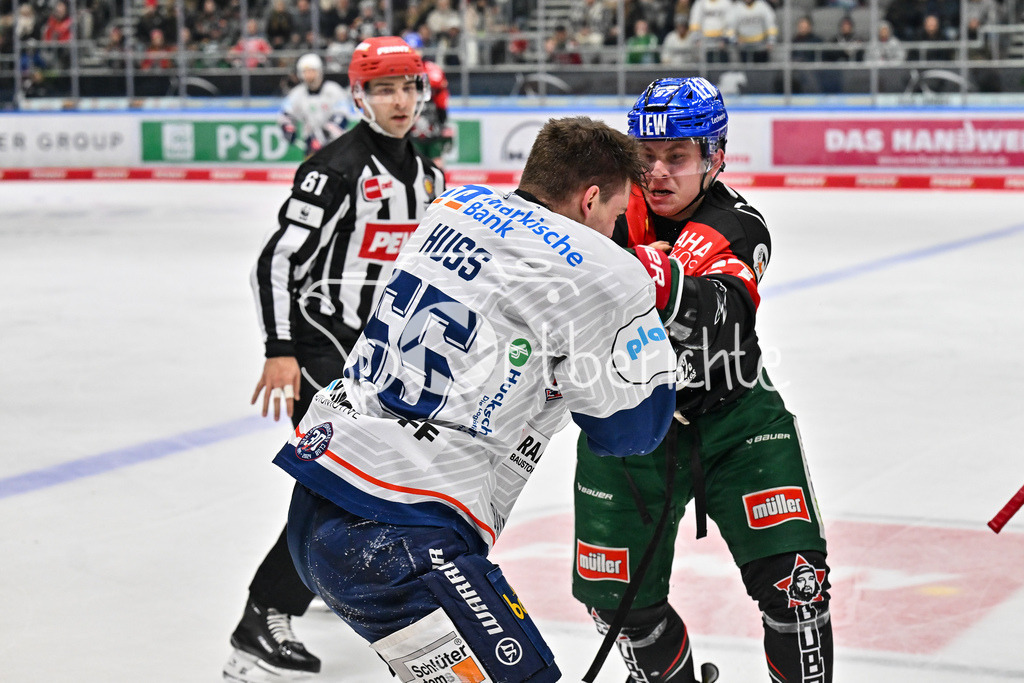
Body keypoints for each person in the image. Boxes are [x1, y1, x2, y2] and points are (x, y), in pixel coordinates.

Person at [277, 115, 677, 683]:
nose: (616, 231)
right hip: (402, 533)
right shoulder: (604, 270)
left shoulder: (451, 208)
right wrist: (644, 331)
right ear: (591, 200)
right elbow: (631, 430)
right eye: (615, 216)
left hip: (318, 498)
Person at [571, 77, 834, 683]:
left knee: (798, 591)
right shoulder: (604, 207)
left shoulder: (738, 225)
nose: (658, 172)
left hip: (736, 420)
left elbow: (721, 317)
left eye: (678, 157)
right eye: (646, 156)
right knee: (618, 607)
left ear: (715, 157)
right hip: (628, 423)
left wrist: (629, 269)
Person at [223, 36, 446, 683]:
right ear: (358, 95)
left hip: (382, 365)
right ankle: (263, 616)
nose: (399, 100)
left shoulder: (427, 175)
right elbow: (277, 261)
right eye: (383, 88)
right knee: (339, 489)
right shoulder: (335, 168)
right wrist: (281, 350)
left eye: (408, 87)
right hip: (324, 354)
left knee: (364, 489)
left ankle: (317, 581)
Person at [278, 53, 356, 159]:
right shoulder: (297, 93)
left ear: (319, 71)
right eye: (305, 72)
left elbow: (341, 117)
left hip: (336, 146)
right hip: (311, 146)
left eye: (312, 71)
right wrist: (288, 128)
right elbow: (285, 114)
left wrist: (321, 136)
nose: (309, 75)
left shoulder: (334, 90)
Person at [410, 59, 455, 168]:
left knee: (436, 162)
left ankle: (438, 182)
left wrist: (442, 122)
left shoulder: (431, 68)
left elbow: (441, 98)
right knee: (415, 163)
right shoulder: (405, 70)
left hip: (433, 128)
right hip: (413, 131)